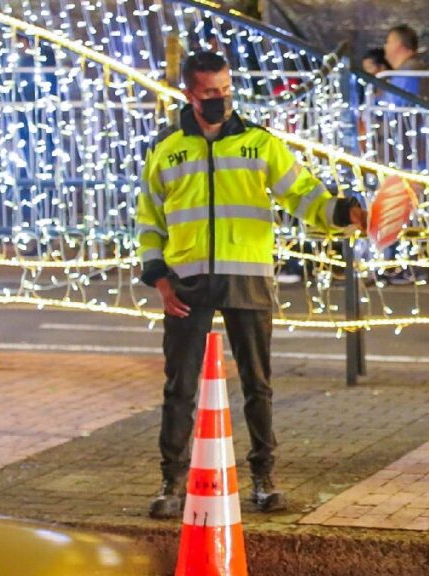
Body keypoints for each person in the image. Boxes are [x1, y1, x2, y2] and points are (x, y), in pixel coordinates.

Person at [137, 51, 366, 519]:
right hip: (187, 282)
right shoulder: (166, 149)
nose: (220, 99)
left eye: (225, 90)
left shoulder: (259, 144)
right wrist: (159, 280)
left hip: (249, 277)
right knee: (179, 387)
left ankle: (264, 479)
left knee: (258, 386)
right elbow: (148, 221)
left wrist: (344, 214)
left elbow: (303, 195)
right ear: (188, 94)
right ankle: (171, 483)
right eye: (209, 93)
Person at [382, 23, 429, 103]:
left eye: (388, 42)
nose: (385, 46)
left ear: (397, 45)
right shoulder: (413, 68)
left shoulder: (407, 73)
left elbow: (396, 104)